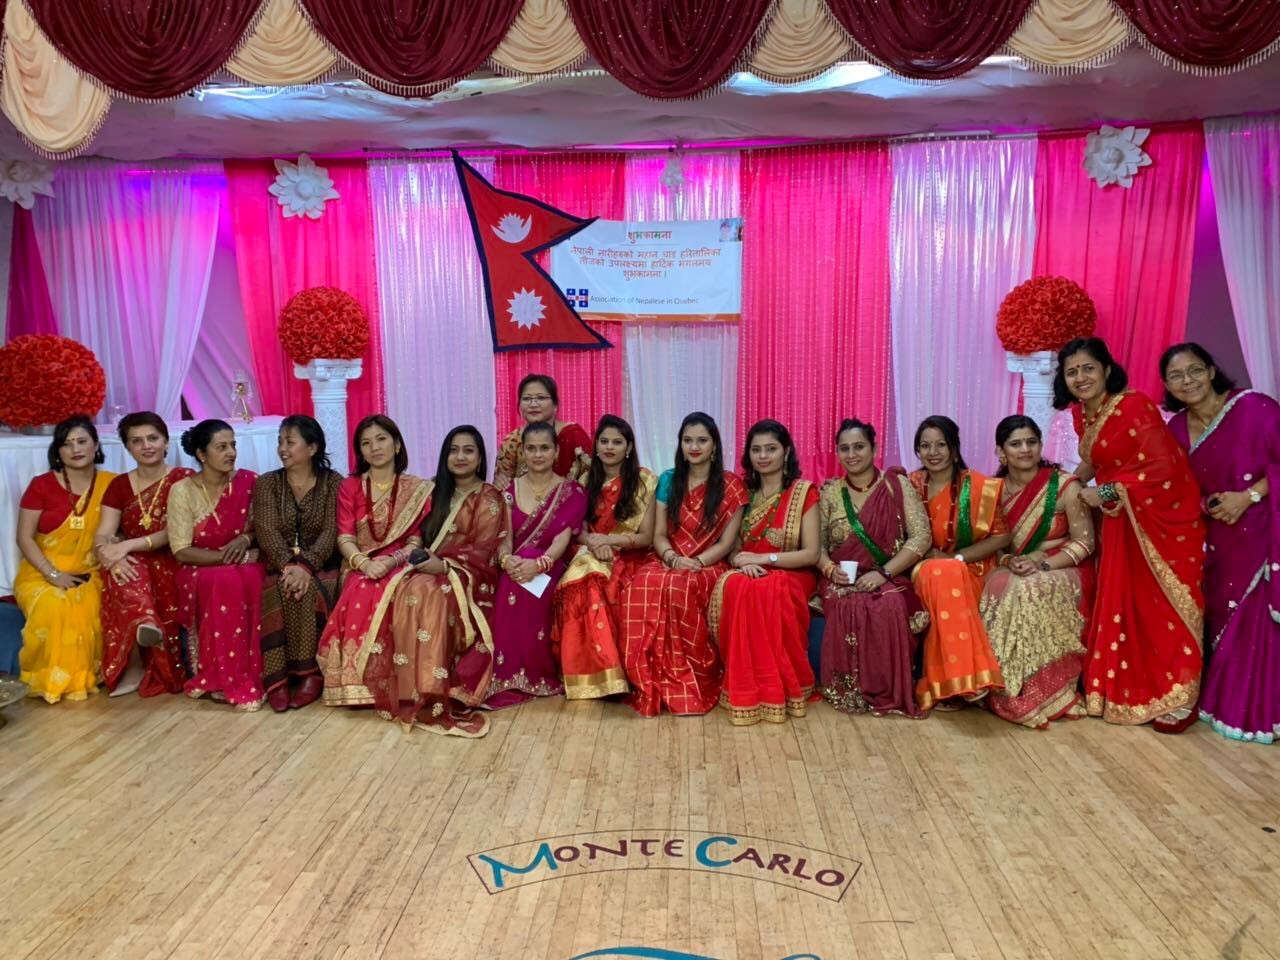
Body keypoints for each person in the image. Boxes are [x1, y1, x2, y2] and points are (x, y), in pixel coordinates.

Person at [1055, 336, 1204, 732]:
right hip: (1121, 523)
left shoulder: (1134, 405)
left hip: (1160, 522)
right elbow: (1096, 460)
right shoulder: (1082, 414)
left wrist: (1104, 492)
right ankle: (1119, 688)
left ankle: (1179, 694)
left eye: (1088, 368)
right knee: (1128, 604)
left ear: (1107, 369)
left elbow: (1163, 468)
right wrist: (1063, 487)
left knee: (1159, 606)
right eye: (1072, 371)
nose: (1081, 377)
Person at [1162, 342, 1278, 742]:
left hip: (1264, 533)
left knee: (1258, 621)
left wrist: (1248, 497)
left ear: (1211, 370)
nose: (1187, 381)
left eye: (1195, 370)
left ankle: (1261, 711)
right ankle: (1228, 703)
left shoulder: (1255, 408)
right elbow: (1174, 490)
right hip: (1216, 540)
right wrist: (1206, 504)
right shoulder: (1176, 429)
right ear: (1167, 386)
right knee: (1223, 618)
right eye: (1176, 376)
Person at [621, 412, 748, 717]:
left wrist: (696, 562)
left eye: (702, 440)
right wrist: (673, 558)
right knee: (642, 583)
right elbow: (659, 534)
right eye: (688, 440)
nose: (694, 447)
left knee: (683, 586)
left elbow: (726, 543)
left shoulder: (732, 486)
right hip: (669, 556)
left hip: (709, 563)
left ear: (714, 446)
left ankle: (694, 680)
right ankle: (649, 681)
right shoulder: (668, 480)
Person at [384, 426, 505, 737]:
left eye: (468, 450)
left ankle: (432, 688)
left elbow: (484, 550)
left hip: (470, 578)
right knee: (405, 588)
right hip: (426, 568)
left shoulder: (488, 497)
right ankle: (407, 688)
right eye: (454, 450)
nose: (460, 456)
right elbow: (413, 533)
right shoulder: (432, 491)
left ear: (480, 458)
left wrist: (445, 566)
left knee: (432, 592)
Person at [980, 415, 1095, 729]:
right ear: (1001, 451)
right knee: (999, 584)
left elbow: (1085, 542)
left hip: (1064, 566)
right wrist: (1009, 561)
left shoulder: (1065, 485)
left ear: (1041, 445)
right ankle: (1000, 684)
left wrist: (1042, 563)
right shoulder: (992, 492)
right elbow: (989, 542)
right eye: (1015, 444)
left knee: (1027, 588)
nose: (1025, 449)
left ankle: (1042, 690)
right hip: (1014, 566)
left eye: (1031, 442)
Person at [817, 419, 930, 717]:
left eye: (859, 447)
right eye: (845, 449)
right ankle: (849, 690)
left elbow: (921, 537)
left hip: (888, 573)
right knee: (847, 602)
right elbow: (818, 546)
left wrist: (883, 573)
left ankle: (887, 690)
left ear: (874, 449)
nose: (852, 454)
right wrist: (829, 570)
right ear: (837, 453)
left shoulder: (896, 486)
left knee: (889, 604)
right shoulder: (830, 493)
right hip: (840, 577)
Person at [316, 415, 431, 708]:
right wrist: (365, 564)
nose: (375, 447)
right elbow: (345, 537)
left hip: (401, 564)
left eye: (381, 439)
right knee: (365, 586)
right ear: (360, 452)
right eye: (366, 443)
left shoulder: (417, 489)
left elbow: (416, 541)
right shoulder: (351, 487)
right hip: (360, 563)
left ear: (397, 444)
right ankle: (357, 683)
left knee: (404, 590)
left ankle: (402, 682)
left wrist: (390, 562)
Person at [710, 420, 819, 725]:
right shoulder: (743, 493)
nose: (763, 456)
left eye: (771, 449)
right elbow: (732, 546)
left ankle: (773, 688)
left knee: (765, 589)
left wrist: (767, 559)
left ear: (786, 452)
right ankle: (747, 686)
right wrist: (741, 561)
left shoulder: (803, 492)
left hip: (792, 571)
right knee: (737, 585)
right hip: (749, 568)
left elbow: (811, 553)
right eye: (756, 449)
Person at [551, 415, 656, 700]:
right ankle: (596, 673)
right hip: (589, 551)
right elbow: (578, 529)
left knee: (592, 577)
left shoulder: (645, 481)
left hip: (631, 555)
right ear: (595, 446)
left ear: (629, 447)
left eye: (617, 442)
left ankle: (606, 673)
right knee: (586, 573)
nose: (609, 447)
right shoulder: (585, 480)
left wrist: (608, 541)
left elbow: (646, 537)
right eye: (604, 441)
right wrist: (594, 543)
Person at [909, 415, 1008, 711]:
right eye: (925, 445)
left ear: (954, 449)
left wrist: (956, 558)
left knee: (947, 571)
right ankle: (966, 680)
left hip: (971, 568)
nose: (933, 452)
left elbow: (1002, 536)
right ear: (917, 451)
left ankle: (947, 683)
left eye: (941, 444)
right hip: (922, 569)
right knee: (940, 572)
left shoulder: (979, 486)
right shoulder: (910, 485)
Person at [14, 415, 115, 703]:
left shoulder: (112, 484)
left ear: (96, 445)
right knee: (55, 604)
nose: (75, 449)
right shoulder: (41, 485)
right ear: (57, 451)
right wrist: (53, 574)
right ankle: (49, 680)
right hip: (41, 573)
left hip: (93, 570)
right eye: (67, 444)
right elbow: (24, 538)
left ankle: (86, 676)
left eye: (82, 441)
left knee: (90, 602)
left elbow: (118, 532)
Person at [168, 419, 267, 710]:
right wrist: (227, 558)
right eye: (221, 447)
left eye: (233, 445)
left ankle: (253, 674)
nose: (231, 452)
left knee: (252, 577)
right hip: (199, 568)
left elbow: (260, 528)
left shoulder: (249, 482)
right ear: (201, 454)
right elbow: (181, 551)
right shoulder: (182, 491)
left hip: (245, 564)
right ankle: (222, 676)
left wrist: (245, 539)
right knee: (226, 579)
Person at [487, 422, 587, 708]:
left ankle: (536, 674)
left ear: (556, 452)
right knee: (511, 580)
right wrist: (507, 561)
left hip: (551, 566)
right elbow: (504, 538)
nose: (538, 454)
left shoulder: (571, 491)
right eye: (531, 448)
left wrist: (538, 564)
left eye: (545, 448)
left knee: (526, 577)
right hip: (514, 566)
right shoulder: (508, 490)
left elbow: (561, 540)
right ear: (522, 452)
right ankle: (506, 675)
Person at [250, 415, 342, 712]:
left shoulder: (334, 483)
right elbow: (266, 529)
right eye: (280, 442)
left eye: (290, 442)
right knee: (279, 589)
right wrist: (289, 565)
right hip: (279, 564)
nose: (282, 449)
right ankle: (277, 678)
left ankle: (309, 674)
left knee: (311, 589)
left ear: (312, 448)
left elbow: (332, 531)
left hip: (323, 563)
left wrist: (306, 566)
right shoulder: (267, 483)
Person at [95, 412, 191, 698]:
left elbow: (178, 532)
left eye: (152, 438)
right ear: (127, 447)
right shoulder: (119, 485)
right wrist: (109, 555)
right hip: (135, 560)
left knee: (134, 567)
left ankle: (141, 655)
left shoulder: (184, 480)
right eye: (136, 441)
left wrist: (126, 546)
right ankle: (139, 651)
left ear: (166, 441)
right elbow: (103, 533)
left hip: (177, 555)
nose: (146, 446)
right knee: (124, 571)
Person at [493, 374, 592, 488]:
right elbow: (502, 486)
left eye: (541, 398)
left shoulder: (572, 435)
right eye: (527, 399)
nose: (533, 404)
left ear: (555, 404)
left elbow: (592, 477)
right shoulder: (512, 441)